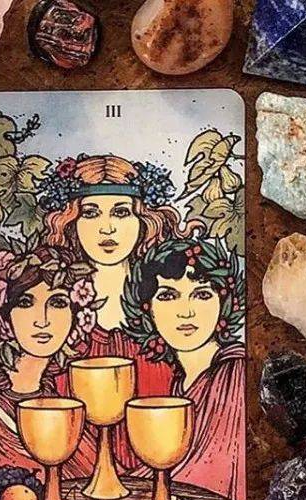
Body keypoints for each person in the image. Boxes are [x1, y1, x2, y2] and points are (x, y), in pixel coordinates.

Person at [41, 154, 203, 468]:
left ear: (144, 220)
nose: (107, 229)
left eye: (121, 212)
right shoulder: (52, 310)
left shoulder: (172, 307)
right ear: (71, 222)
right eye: (91, 213)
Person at [122, 238, 246, 500]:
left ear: (225, 302)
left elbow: (206, 479)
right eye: (168, 296)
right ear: (147, 309)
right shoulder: (179, 382)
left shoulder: (235, 374)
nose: (186, 312)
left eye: (202, 295)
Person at [0, 245, 97, 478]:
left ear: (76, 315)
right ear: (2, 314)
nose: (42, 320)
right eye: (25, 303)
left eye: (58, 303)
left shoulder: (65, 402)